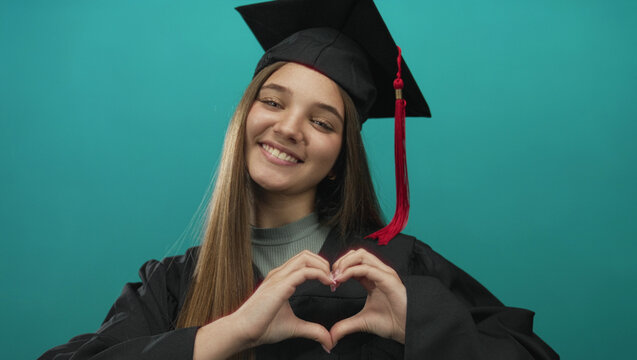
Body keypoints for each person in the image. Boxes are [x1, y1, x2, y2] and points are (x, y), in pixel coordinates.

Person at [39, 0, 559, 359]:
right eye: (272, 101)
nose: (288, 129)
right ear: (244, 115)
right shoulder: (173, 285)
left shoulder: (397, 271)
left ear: (341, 155)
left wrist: (421, 328)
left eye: (322, 121)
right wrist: (230, 333)